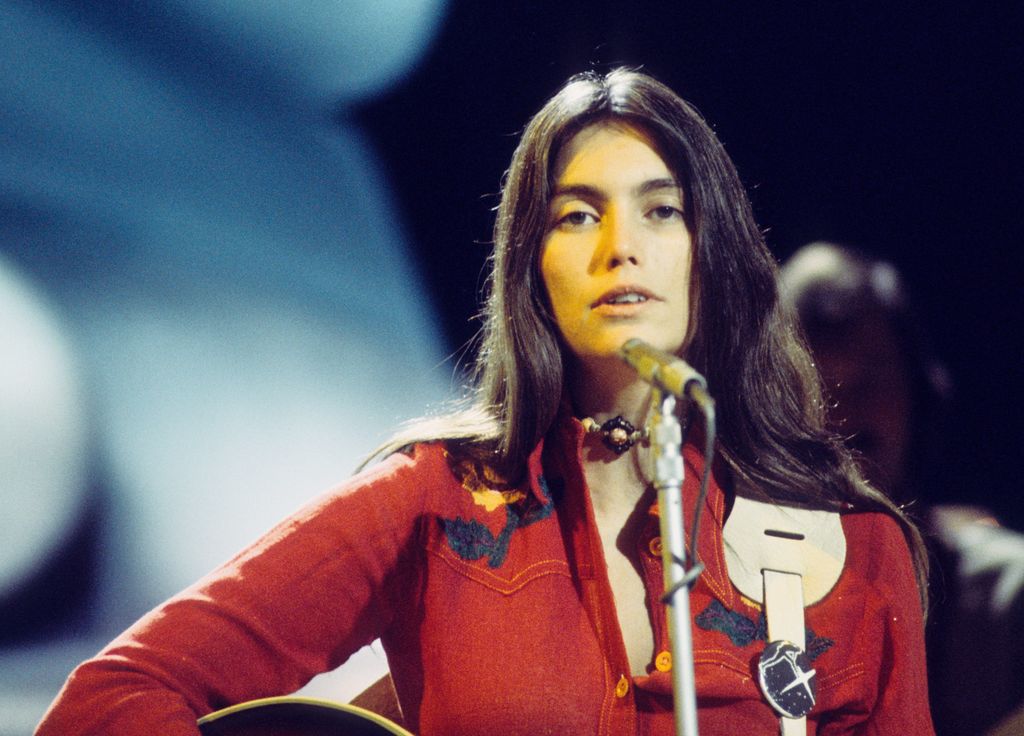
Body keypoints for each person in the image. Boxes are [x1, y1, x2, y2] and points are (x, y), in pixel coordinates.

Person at [36, 69, 934, 735]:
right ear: (530, 267)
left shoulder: (855, 550)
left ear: (717, 253)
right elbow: (108, 702)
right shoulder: (435, 497)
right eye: (577, 215)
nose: (621, 247)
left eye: (661, 211)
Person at [780, 242, 1024, 735]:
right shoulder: (728, 603)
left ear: (921, 393)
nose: (844, 416)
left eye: (871, 379)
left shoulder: (1010, 594)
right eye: (819, 387)